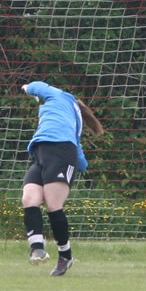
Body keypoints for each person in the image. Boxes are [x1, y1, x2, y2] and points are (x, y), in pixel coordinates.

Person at [21, 80, 104, 276]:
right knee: (29, 199)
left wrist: (26, 88)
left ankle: (65, 256)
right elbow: (79, 151)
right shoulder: (69, 118)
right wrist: (82, 164)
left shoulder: (60, 96)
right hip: (40, 153)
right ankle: (37, 249)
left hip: (60, 153)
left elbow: (38, 86)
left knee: (53, 205)